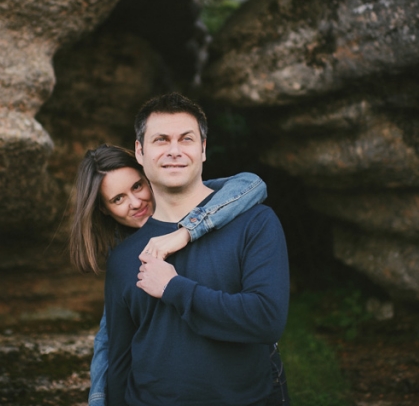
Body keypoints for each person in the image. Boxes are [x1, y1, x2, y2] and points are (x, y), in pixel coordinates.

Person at [105, 92, 290, 405]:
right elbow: (120, 359)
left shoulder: (255, 223)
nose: (174, 151)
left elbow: (267, 320)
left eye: (186, 139)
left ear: (203, 149)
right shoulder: (124, 256)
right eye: (161, 140)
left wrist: (174, 288)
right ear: (140, 151)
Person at [68, 144, 270, 405]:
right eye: (118, 199)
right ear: (104, 210)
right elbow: (111, 345)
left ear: (149, 176)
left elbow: (251, 183)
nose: (135, 202)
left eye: (137, 186)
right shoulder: (122, 255)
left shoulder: (197, 202)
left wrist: (185, 232)